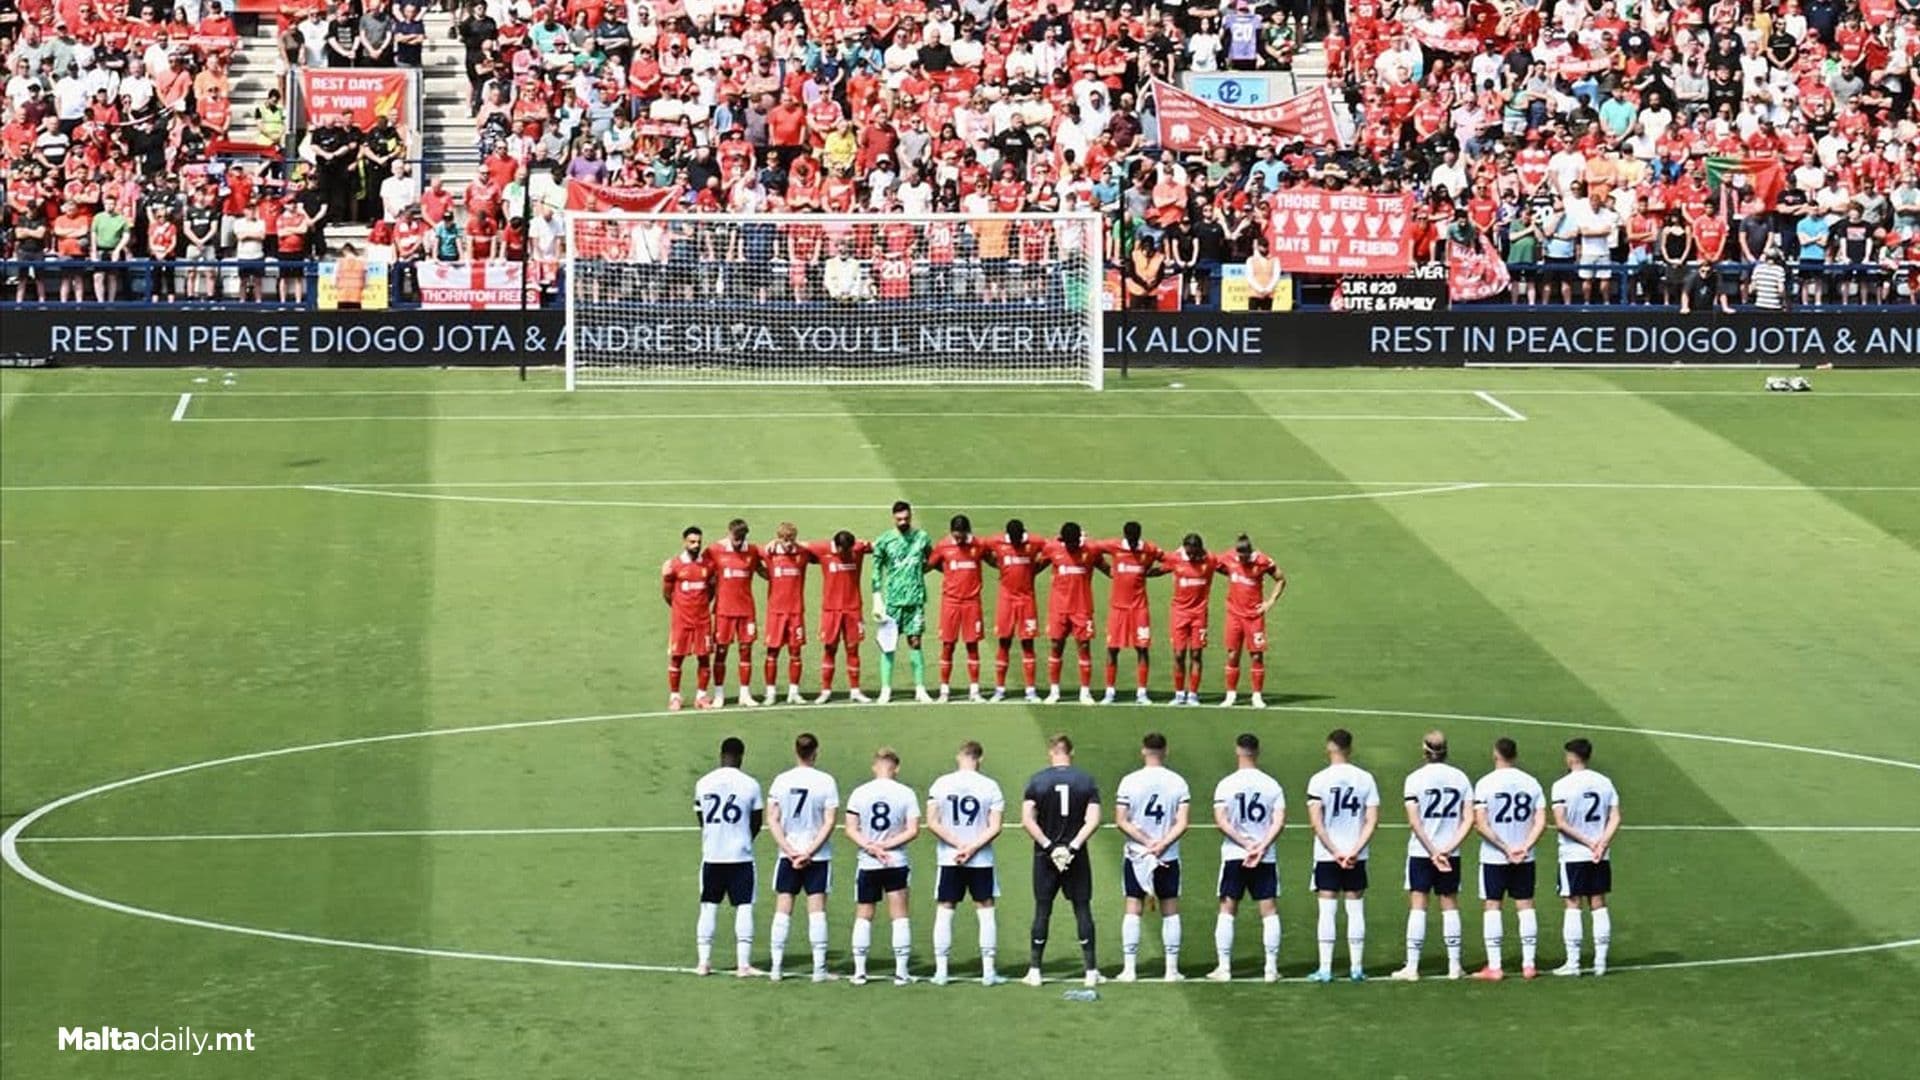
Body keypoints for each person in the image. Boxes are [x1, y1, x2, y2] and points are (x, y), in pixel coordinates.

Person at [1391, 732, 1475, 982]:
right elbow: (1469, 818)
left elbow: (1414, 820)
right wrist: (1448, 849)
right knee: (1449, 904)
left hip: (1421, 852)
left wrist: (1432, 850)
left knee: (1418, 905)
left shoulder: (1414, 778)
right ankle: (1454, 966)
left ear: (1424, 751)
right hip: (1451, 852)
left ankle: (1413, 967)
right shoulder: (1460, 777)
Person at [1021, 733, 1103, 987]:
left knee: (1043, 910)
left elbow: (1027, 819)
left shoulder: (1037, 781)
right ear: (1071, 752)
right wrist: (1071, 847)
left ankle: (1035, 971)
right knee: (1082, 908)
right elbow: (1093, 819)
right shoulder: (1086, 781)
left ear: (1051, 752)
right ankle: (1091, 972)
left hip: (1044, 857)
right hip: (1075, 857)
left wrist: (1049, 847)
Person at [926, 740, 1008, 986]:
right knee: (985, 908)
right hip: (981, 858)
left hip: (950, 858)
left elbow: (932, 821)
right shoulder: (991, 786)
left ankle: (941, 972)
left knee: (945, 908)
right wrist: (971, 847)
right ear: (979, 759)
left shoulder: (941, 783)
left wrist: (958, 845)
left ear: (958, 756)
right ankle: (989, 972)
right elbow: (995, 826)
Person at [1208, 733, 1286, 983]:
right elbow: (1279, 820)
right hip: (1265, 856)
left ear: (1237, 751)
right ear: (1258, 751)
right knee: (1269, 910)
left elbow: (1221, 821)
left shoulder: (1226, 784)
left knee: (1228, 908)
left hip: (1235, 854)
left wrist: (1244, 844)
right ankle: (1271, 969)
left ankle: (1224, 967)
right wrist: (1261, 846)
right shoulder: (1272, 784)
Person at [1113, 732, 1191, 982]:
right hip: (1167, 855)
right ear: (1165, 751)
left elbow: (1121, 820)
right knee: (1170, 908)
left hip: (1137, 854)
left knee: (1133, 907)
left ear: (1143, 751)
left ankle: (1129, 969)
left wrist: (1146, 842)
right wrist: (1162, 844)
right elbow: (1182, 823)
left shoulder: (1129, 781)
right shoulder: (1178, 782)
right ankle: (1171, 970)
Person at [1305, 728, 1380, 983]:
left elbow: (1317, 822)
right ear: (1350, 749)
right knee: (1355, 907)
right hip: (1356, 855)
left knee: (1327, 909)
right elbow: (1372, 820)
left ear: (1329, 747)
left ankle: (1325, 969)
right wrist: (1355, 850)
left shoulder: (1318, 779)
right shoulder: (1365, 779)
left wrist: (1335, 851)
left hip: (1328, 855)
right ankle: (1356, 967)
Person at [1470, 737, 1548, 980]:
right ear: (1515, 755)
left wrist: (1505, 848)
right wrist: (1523, 847)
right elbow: (1541, 821)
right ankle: (1529, 964)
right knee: (1525, 905)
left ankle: (1495, 966)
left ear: (1495, 754)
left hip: (1495, 857)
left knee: (1493, 905)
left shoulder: (1485, 783)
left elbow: (1480, 824)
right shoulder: (1531, 782)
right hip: (1525, 857)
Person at [766, 732, 839, 982]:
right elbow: (830, 822)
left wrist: (789, 850)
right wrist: (810, 851)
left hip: (788, 856)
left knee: (783, 910)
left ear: (795, 751)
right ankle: (819, 970)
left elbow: (772, 820)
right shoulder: (826, 781)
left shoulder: (781, 781)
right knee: (816, 911)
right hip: (817, 857)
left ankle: (776, 968)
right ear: (815, 752)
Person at [844, 747, 921, 986]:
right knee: (899, 914)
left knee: (864, 914)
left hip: (868, 862)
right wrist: (887, 845)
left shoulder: (859, 792)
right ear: (896, 767)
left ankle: (859, 972)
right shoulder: (906, 793)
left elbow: (850, 828)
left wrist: (872, 847)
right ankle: (901, 973)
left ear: (874, 766)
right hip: (895, 860)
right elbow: (913, 830)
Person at [692, 736, 764, 977]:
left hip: (712, 855)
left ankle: (703, 963)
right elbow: (756, 823)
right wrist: (741, 839)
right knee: (744, 907)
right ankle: (743, 965)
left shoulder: (703, 783)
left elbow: (702, 819)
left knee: (708, 906)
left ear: (721, 755)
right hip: (740, 856)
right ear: (741, 756)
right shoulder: (751, 784)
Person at [1551, 738, 1621, 977]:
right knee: (1598, 903)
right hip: (1599, 855)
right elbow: (1615, 818)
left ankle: (1573, 962)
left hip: (1573, 854)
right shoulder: (1605, 782)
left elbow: (1561, 823)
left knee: (1572, 903)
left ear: (1571, 757)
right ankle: (1600, 962)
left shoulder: (1562, 785)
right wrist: (1602, 842)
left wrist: (1588, 842)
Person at [869, 500, 933, 704]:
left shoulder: (922, 538)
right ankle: (886, 689)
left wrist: (916, 575)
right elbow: (876, 569)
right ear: (893, 518)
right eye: (899, 519)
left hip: (915, 601)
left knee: (915, 642)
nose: (903, 522)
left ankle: (920, 688)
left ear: (911, 516)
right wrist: (877, 597)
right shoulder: (885, 541)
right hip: (893, 601)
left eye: (906, 518)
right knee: (888, 645)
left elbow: (932, 560)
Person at [1212, 534, 1286, 708]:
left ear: (1250, 552)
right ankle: (1231, 695)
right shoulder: (1229, 557)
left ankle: (1257, 696)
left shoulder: (1263, 561)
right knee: (1232, 654)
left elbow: (1281, 579)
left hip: (1254, 617)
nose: (1241, 559)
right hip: (1234, 615)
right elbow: (1213, 563)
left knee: (1257, 655)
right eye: (1239, 556)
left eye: (1244, 556)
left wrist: (1270, 602)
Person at [1096, 522, 1165, 705]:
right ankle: (1110, 692)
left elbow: (1168, 560)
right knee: (1112, 648)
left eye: (1136, 539)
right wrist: (1106, 570)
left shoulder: (1148, 549)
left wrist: (1155, 572)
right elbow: (1093, 549)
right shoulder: (1114, 546)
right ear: (1125, 536)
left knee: (1142, 648)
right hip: (1117, 608)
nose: (1133, 543)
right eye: (1131, 539)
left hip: (1139, 608)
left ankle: (1142, 693)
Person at [928, 514, 989, 703]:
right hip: (951, 602)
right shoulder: (943, 545)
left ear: (968, 531)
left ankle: (974, 691)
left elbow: (994, 559)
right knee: (948, 645)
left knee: (972, 645)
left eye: (962, 535)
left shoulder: (979, 546)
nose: (959, 539)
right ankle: (944, 691)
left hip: (972, 602)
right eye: (956, 535)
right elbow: (930, 564)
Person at [1041, 522, 1104, 704]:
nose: (1072, 546)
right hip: (1058, 608)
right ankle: (1054, 691)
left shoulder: (1090, 551)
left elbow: (1106, 568)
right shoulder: (1053, 549)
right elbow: (1037, 566)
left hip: (1082, 608)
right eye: (1068, 543)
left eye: (1075, 542)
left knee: (1084, 647)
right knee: (1056, 646)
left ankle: (1085, 692)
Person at [984, 519, 1047, 702]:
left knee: (1028, 644)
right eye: (1013, 538)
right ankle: (1000, 689)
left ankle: (1030, 691)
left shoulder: (1034, 542)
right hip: (1006, 600)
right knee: (1004, 643)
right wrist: (996, 564)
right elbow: (981, 549)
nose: (1016, 541)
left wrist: (1036, 568)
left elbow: (1051, 550)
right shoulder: (997, 541)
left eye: (1018, 538)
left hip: (1027, 600)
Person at [704, 518, 763, 709]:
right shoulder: (714, 550)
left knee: (746, 651)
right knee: (721, 652)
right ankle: (719, 694)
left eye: (742, 538)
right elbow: (700, 568)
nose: (738, 542)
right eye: (736, 538)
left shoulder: (752, 551)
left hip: (746, 611)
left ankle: (744, 694)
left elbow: (764, 569)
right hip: (723, 610)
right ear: (729, 533)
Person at [810, 530, 872, 704]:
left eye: (849, 550)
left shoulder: (857, 549)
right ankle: (825, 690)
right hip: (831, 610)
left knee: (853, 649)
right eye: (843, 550)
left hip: (853, 609)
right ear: (835, 546)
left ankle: (855, 691)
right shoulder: (822, 549)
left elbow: (877, 546)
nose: (846, 554)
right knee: (830, 649)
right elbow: (799, 546)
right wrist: (775, 544)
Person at [760, 523, 815, 707]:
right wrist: (772, 544)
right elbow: (751, 555)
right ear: (778, 538)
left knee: (795, 652)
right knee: (772, 653)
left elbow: (820, 550)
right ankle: (770, 693)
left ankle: (794, 692)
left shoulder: (803, 553)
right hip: (775, 612)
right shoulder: (770, 553)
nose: (788, 543)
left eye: (791, 539)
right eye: (784, 539)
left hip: (795, 611)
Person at [661, 526, 715, 711]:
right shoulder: (674, 565)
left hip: (702, 620)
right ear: (684, 542)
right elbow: (667, 594)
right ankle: (675, 696)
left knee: (704, 657)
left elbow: (711, 592)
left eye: (698, 542)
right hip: (681, 620)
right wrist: (679, 608)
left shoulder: (708, 565)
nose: (696, 545)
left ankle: (701, 696)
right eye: (692, 542)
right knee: (677, 658)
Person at [1164, 534, 1214, 706]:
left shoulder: (1210, 561)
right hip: (1179, 613)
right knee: (1178, 655)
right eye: (1189, 553)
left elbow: (1229, 567)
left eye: (1194, 553)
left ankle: (1193, 694)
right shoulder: (1176, 560)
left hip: (1199, 615)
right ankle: (1179, 694)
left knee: (1196, 654)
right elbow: (1158, 568)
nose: (1191, 556)